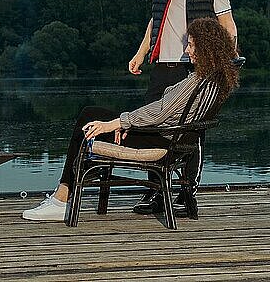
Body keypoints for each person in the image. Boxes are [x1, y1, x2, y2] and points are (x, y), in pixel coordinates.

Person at [22, 17, 239, 221]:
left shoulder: (197, 81)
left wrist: (117, 123)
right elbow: (164, 112)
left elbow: (162, 111)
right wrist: (127, 122)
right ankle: (63, 195)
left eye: (191, 45)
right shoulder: (212, 78)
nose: (186, 50)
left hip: (160, 140)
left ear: (207, 47)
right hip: (166, 136)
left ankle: (61, 199)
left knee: (89, 117)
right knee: (92, 116)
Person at [129, 0, 237, 215]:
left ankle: (186, 191)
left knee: (191, 132)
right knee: (152, 125)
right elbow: (155, 21)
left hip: (194, 67)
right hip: (162, 64)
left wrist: (225, 61)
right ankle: (155, 191)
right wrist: (141, 53)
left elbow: (228, 26)